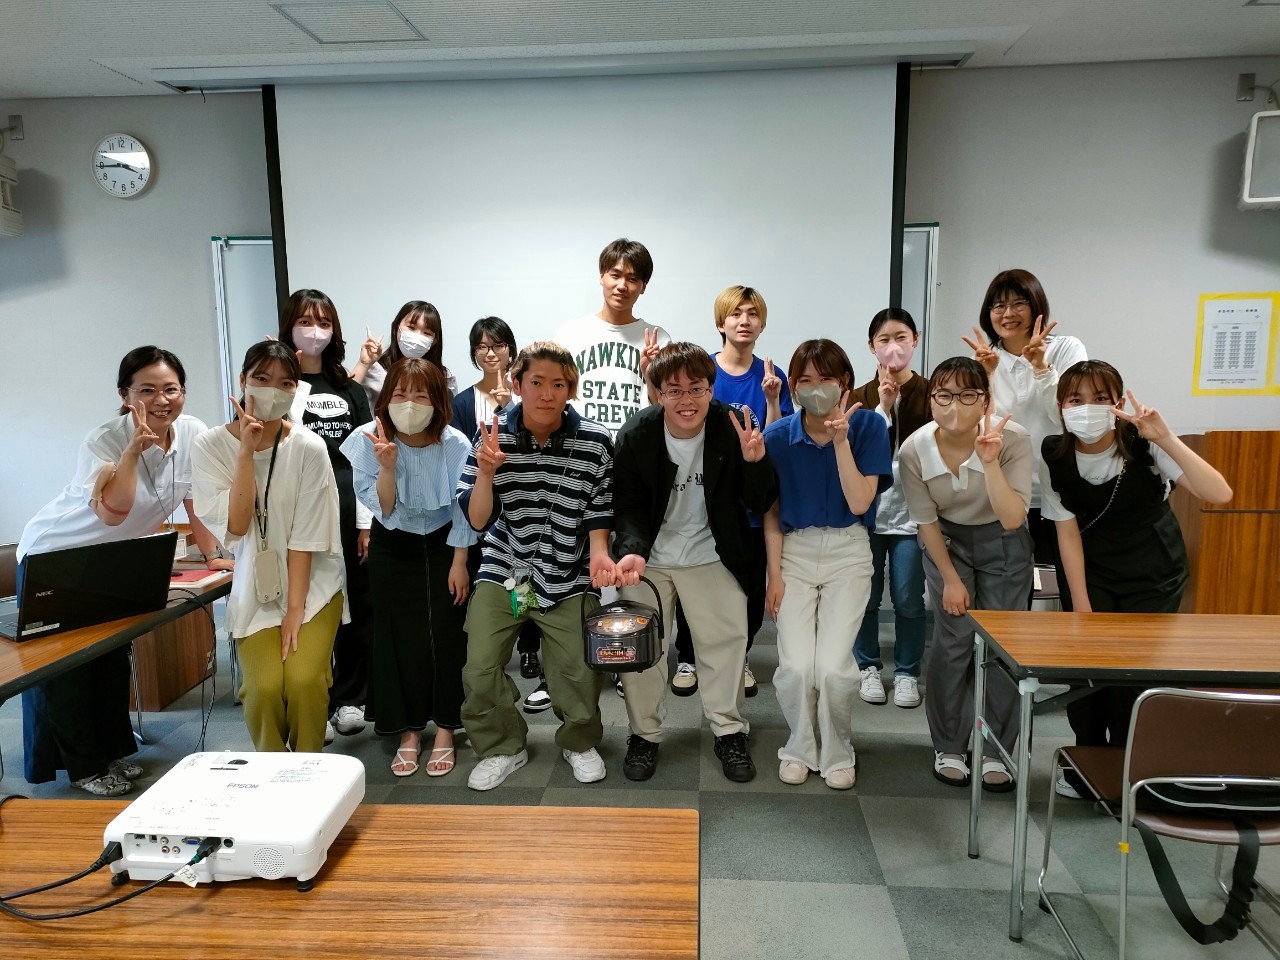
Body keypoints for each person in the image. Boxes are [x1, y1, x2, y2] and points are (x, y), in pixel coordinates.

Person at [17, 346, 224, 796]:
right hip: (57, 558)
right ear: (125, 396)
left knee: (111, 661)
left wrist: (212, 555)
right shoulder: (103, 441)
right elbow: (113, 512)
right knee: (68, 672)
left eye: (171, 389)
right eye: (146, 390)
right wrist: (131, 453)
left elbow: (196, 499)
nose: (161, 400)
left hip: (113, 561)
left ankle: (111, 751)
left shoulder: (192, 432)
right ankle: (83, 767)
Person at [1040, 360, 1232, 797]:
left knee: (1137, 675)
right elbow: (1066, 531)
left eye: (1101, 398)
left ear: (1118, 403)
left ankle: (1134, 770)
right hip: (1090, 568)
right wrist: (1081, 605)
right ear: (1060, 407)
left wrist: (1167, 438)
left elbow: (1219, 493)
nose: (1087, 408)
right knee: (1087, 674)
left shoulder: (1144, 443)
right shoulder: (1053, 454)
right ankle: (1087, 766)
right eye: (1075, 400)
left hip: (1153, 570)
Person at [456, 341, 619, 791]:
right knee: (479, 666)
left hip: (568, 570)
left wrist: (600, 553)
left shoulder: (596, 441)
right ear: (517, 383)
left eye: (559, 384)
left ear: (572, 389)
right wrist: (486, 473)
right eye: (537, 382)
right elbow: (477, 519)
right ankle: (503, 746)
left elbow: (600, 510)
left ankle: (578, 741)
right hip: (505, 566)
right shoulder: (492, 436)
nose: (547, 394)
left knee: (578, 670)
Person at [612, 342, 777, 783]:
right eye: (674, 390)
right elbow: (626, 502)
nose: (686, 400)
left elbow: (760, 501)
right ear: (658, 392)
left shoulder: (732, 426)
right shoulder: (637, 433)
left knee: (725, 647)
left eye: (696, 388)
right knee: (640, 651)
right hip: (649, 557)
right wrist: (632, 548)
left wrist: (756, 462)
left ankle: (729, 730)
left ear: (711, 388)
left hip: (713, 552)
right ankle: (644, 734)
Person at [192, 341, 347, 753]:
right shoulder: (209, 446)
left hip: (312, 585)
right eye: (261, 379)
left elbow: (306, 538)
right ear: (243, 380)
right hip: (254, 588)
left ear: (296, 390)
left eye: (285, 383)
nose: (273, 390)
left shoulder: (308, 447)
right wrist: (245, 451)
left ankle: (309, 772)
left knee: (303, 682)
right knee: (261, 690)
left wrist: (294, 612)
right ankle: (273, 772)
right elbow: (237, 524)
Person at [897, 357, 1033, 792]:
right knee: (952, 640)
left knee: (1002, 645)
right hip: (947, 543)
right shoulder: (913, 450)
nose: (954, 404)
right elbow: (925, 522)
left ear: (986, 400)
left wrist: (989, 462)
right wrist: (951, 579)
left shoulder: (1013, 439)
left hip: (1004, 542)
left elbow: (1012, 518)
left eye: (968, 394)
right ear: (931, 400)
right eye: (943, 395)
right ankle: (949, 745)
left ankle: (996, 749)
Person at [763, 340, 892, 789]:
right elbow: (771, 513)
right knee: (797, 666)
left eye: (826, 379)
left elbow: (860, 502)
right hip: (793, 552)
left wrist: (841, 442)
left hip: (848, 549)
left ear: (845, 383)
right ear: (793, 386)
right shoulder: (778, 437)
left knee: (834, 669)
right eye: (805, 380)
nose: (816, 388)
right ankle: (799, 745)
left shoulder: (869, 426)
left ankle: (838, 749)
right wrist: (774, 575)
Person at [341, 359, 477, 778]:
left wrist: (460, 562)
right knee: (397, 637)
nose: (410, 403)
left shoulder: (454, 443)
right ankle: (409, 732)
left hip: (445, 543)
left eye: (421, 395)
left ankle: (446, 728)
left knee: (446, 635)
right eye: (400, 394)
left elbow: (463, 508)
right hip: (392, 545)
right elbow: (383, 508)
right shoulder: (367, 438)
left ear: (437, 402)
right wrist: (387, 466)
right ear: (386, 398)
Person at [669, 286, 791, 700]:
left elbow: (775, 439)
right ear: (720, 323)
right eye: (736, 313)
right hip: (704, 499)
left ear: (762, 323)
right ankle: (689, 657)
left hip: (752, 502)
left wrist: (772, 400)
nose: (744, 321)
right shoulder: (702, 371)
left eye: (752, 313)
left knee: (750, 587)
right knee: (695, 581)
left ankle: (740, 656)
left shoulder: (772, 376)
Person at [278, 289, 374, 742]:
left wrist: (366, 523)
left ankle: (350, 698)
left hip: (348, 507)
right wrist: (288, 378)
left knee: (356, 605)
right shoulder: (279, 386)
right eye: (305, 321)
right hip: (297, 512)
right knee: (303, 605)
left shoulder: (350, 388)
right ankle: (311, 702)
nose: (314, 331)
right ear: (289, 325)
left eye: (323, 322)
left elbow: (366, 458)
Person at [451, 317, 547, 707]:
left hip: (524, 518)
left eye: (498, 345)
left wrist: (511, 406)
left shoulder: (527, 398)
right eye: (482, 346)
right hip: (481, 513)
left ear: (510, 349)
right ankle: (500, 650)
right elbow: (463, 464)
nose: (490, 353)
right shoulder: (462, 402)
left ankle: (529, 647)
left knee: (529, 584)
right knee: (491, 588)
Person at [963, 269, 1086, 570]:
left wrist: (1042, 368)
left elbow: (1070, 420)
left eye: (1019, 303)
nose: (1008, 314)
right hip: (1008, 495)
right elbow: (982, 428)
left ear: (1036, 305)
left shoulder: (1065, 349)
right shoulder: (985, 359)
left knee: (1067, 582)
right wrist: (987, 375)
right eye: (998, 306)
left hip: (1062, 492)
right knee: (1013, 586)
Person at [850, 308, 930, 709]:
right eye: (884, 339)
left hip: (914, 514)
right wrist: (882, 408)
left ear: (915, 340)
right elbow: (856, 451)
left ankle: (906, 673)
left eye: (901, 337)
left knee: (909, 598)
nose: (893, 347)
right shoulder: (857, 397)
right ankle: (867, 667)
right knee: (864, 596)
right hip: (868, 514)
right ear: (871, 347)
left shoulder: (933, 392)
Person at [554, 238, 670, 436]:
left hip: (635, 444)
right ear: (602, 276)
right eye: (615, 275)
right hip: (580, 444)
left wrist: (650, 376)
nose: (622, 285)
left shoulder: (658, 339)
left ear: (643, 286)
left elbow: (664, 406)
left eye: (632, 279)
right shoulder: (571, 332)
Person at [351, 300, 457, 406]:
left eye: (427, 333)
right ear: (396, 328)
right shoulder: (376, 370)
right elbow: (347, 402)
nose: (417, 337)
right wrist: (363, 364)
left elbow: (449, 412)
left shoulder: (443, 377)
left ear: (434, 341)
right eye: (411, 327)